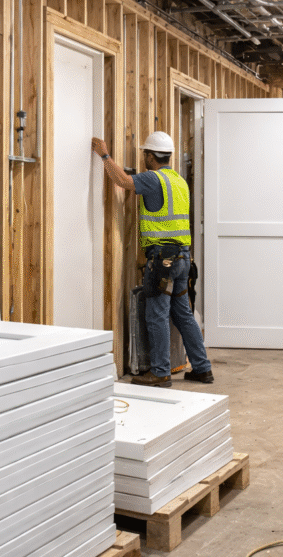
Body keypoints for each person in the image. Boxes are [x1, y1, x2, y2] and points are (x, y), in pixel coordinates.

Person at [91, 132, 213, 386]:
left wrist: (104, 155)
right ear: (168, 155)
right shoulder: (178, 181)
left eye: (144, 153)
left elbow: (123, 181)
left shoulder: (152, 179)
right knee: (183, 315)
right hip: (182, 259)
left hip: (163, 261)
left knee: (156, 314)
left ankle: (160, 372)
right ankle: (202, 368)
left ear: (149, 155)